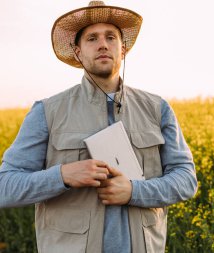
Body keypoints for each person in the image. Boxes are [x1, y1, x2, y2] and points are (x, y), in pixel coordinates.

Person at [0, 1, 197, 253]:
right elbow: (5, 187)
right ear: (78, 52)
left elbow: (186, 180)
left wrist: (135, 191)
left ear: (123, 50)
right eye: (92, 38)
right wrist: (63, 176)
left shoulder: (157, 109)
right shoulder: (47, 111)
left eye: (111, 37)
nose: (103, 44)